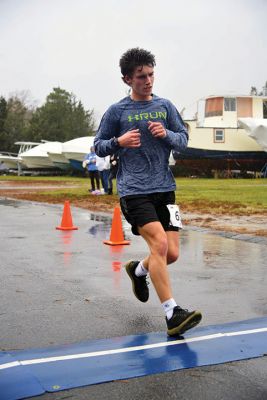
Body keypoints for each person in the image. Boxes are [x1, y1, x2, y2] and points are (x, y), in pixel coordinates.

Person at [94, 47, 202, 336]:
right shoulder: (117, 111)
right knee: (159, 246)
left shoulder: (166, 106)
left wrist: (166, 134)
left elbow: (183, 141)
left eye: (151, 74)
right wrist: (120, 140)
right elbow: (98, 146)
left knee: (173, 253)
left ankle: (138, 270)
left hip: (166, 189)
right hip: (134, 190)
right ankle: (172, 314)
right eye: (142, 76)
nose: (149, 80)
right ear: (127, 79)